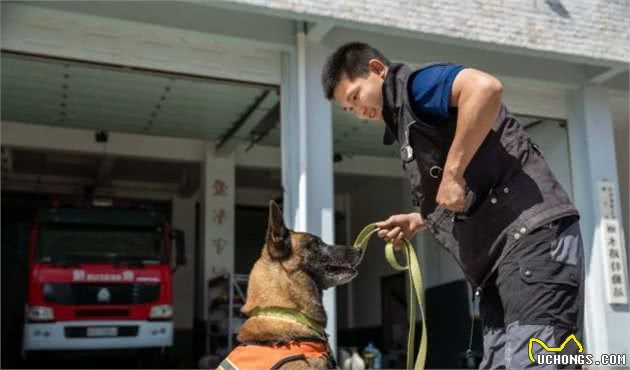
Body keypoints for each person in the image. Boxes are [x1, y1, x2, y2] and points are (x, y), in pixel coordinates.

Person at [321, 42, 584, 369]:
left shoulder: (416, 86)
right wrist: (420, 219)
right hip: (498, 263)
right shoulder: (408, 121)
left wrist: (453, 174)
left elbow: (485, 88)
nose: (359, 113)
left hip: (530, 239)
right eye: (349, 109)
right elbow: (469, 186)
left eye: (355, 97)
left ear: (377, 70)